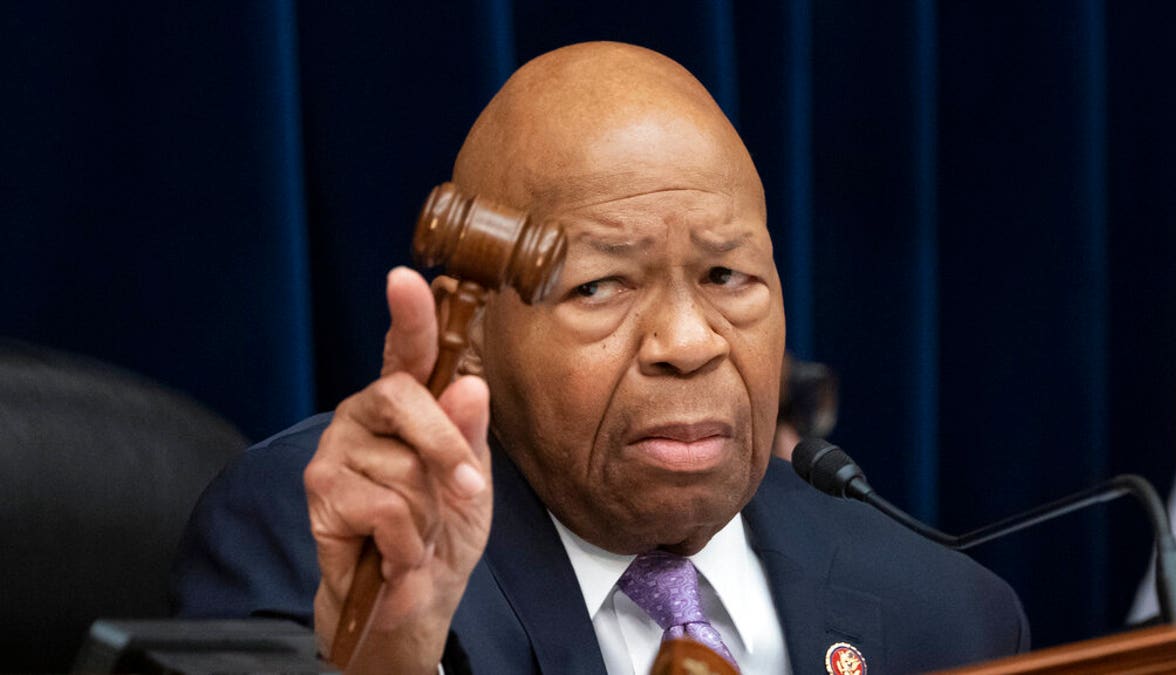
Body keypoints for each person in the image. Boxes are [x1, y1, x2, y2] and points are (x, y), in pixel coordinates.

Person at [172, 42, 1028, 674]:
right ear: (472, 337)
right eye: (600, 287)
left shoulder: (948, 614)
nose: (689, 344)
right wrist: (390, 655)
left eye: (729, 275)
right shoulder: (334, 534)